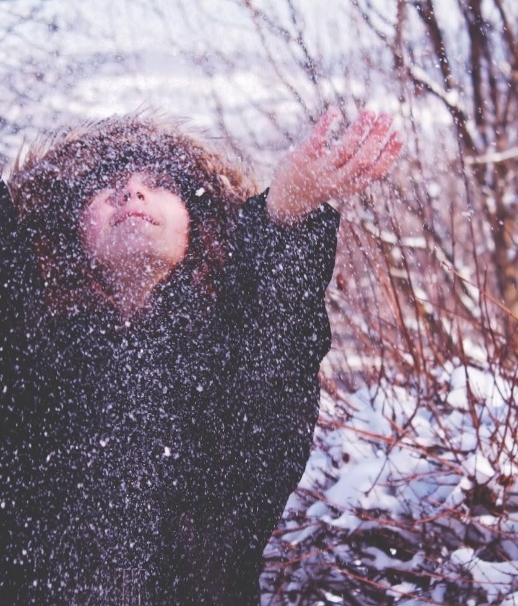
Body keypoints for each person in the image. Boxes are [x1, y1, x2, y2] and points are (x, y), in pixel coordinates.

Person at [0, 107, 402, 605]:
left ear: (200, 222)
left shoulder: (234, 356)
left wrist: (289, 217)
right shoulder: (26, 351)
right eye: (105, 187)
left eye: (159, 183)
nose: (130, 192)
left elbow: (277, 337)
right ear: (69, 230)